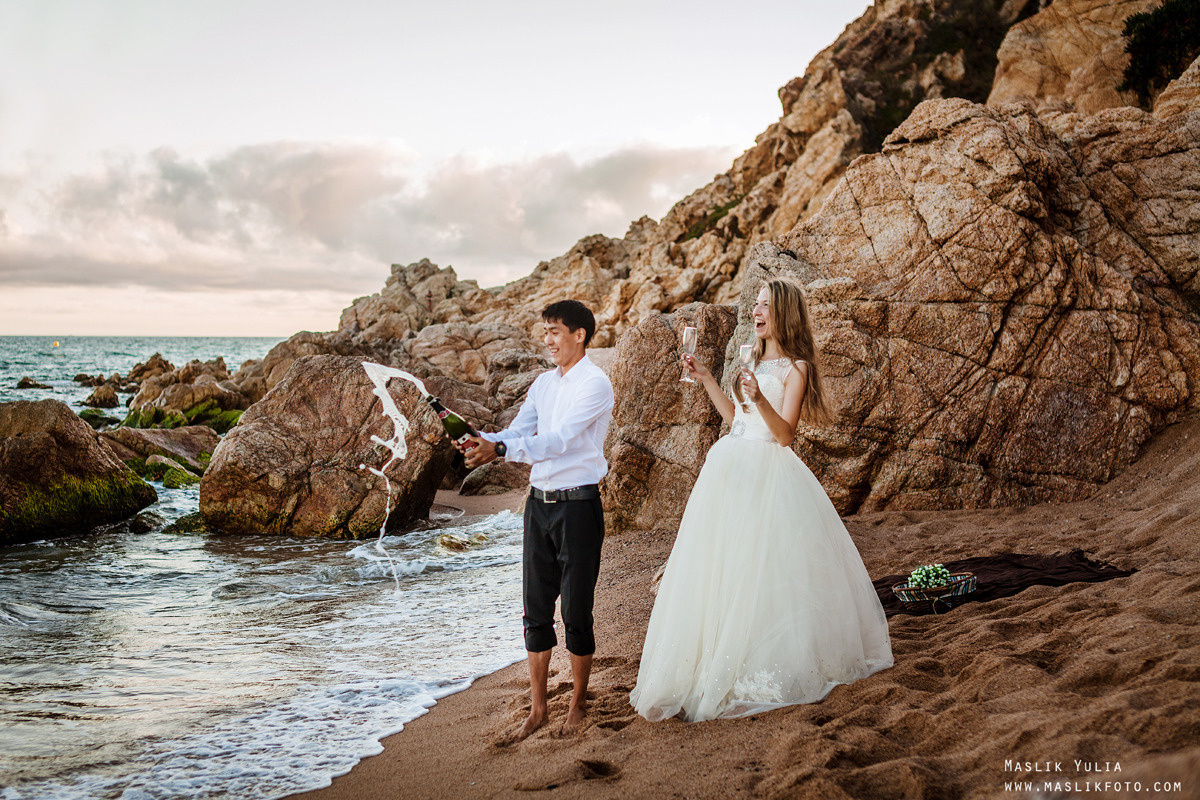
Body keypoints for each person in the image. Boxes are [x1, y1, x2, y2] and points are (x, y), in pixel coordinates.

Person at [630, 278, 893, 722]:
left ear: (783, 313)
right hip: (728, 467)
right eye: (755, 303)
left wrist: (758, 397)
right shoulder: (749, 358)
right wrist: (708, 379)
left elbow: (785, 435)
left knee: (760, 570)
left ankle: (756, 662)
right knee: (722, 566)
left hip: (767, 472)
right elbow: (737, 419)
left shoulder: (796, 368)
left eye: (766, 305)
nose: (757, 311)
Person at [459, 299, 614, 740]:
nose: (547, 340)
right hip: (538, 507)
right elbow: (518, 430)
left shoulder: (595, 383)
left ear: (579, 334)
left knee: (577, 611)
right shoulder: (544, 384)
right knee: (535, 609)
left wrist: (500, 451)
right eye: (544, 332)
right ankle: (539, 708)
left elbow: (559, 441)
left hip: (578, 506)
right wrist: (481, 439)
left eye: (554, 331)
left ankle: (578, 704)